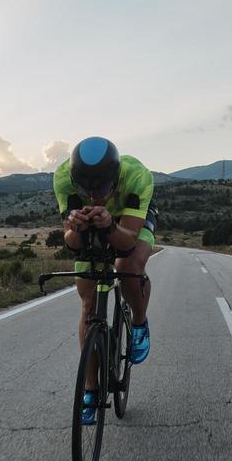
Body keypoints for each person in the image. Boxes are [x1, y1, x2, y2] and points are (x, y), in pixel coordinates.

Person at [54, 137, 156, 423]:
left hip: (131, 222)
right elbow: (73, 244)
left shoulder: (137, 177)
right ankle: (90, 390)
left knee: (127, 265)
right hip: (96, 224)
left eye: (100, 190)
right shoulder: (62, 178)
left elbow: (127, 241)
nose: (94, 197)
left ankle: (138, 321)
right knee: (87, 303)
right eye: (86, 191)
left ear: (115, 178)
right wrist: (75, 226)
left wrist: (110, 224)